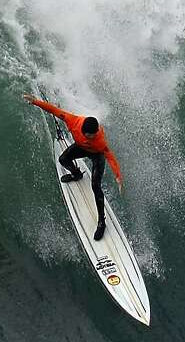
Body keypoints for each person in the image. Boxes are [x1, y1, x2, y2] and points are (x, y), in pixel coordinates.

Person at [24, 93, 123, 240]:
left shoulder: (99, 141)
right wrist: (36, 102)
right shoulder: (73, 121)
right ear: (84, 131)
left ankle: (102, 222)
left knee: (96, 186)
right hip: (81, 147)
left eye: (95, 134)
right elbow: (54, 110)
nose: (95, 136)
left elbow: (110, 157)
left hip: (97, 156)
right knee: (63, 159)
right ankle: (77, 173)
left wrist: (118, 176)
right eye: (91, 135)